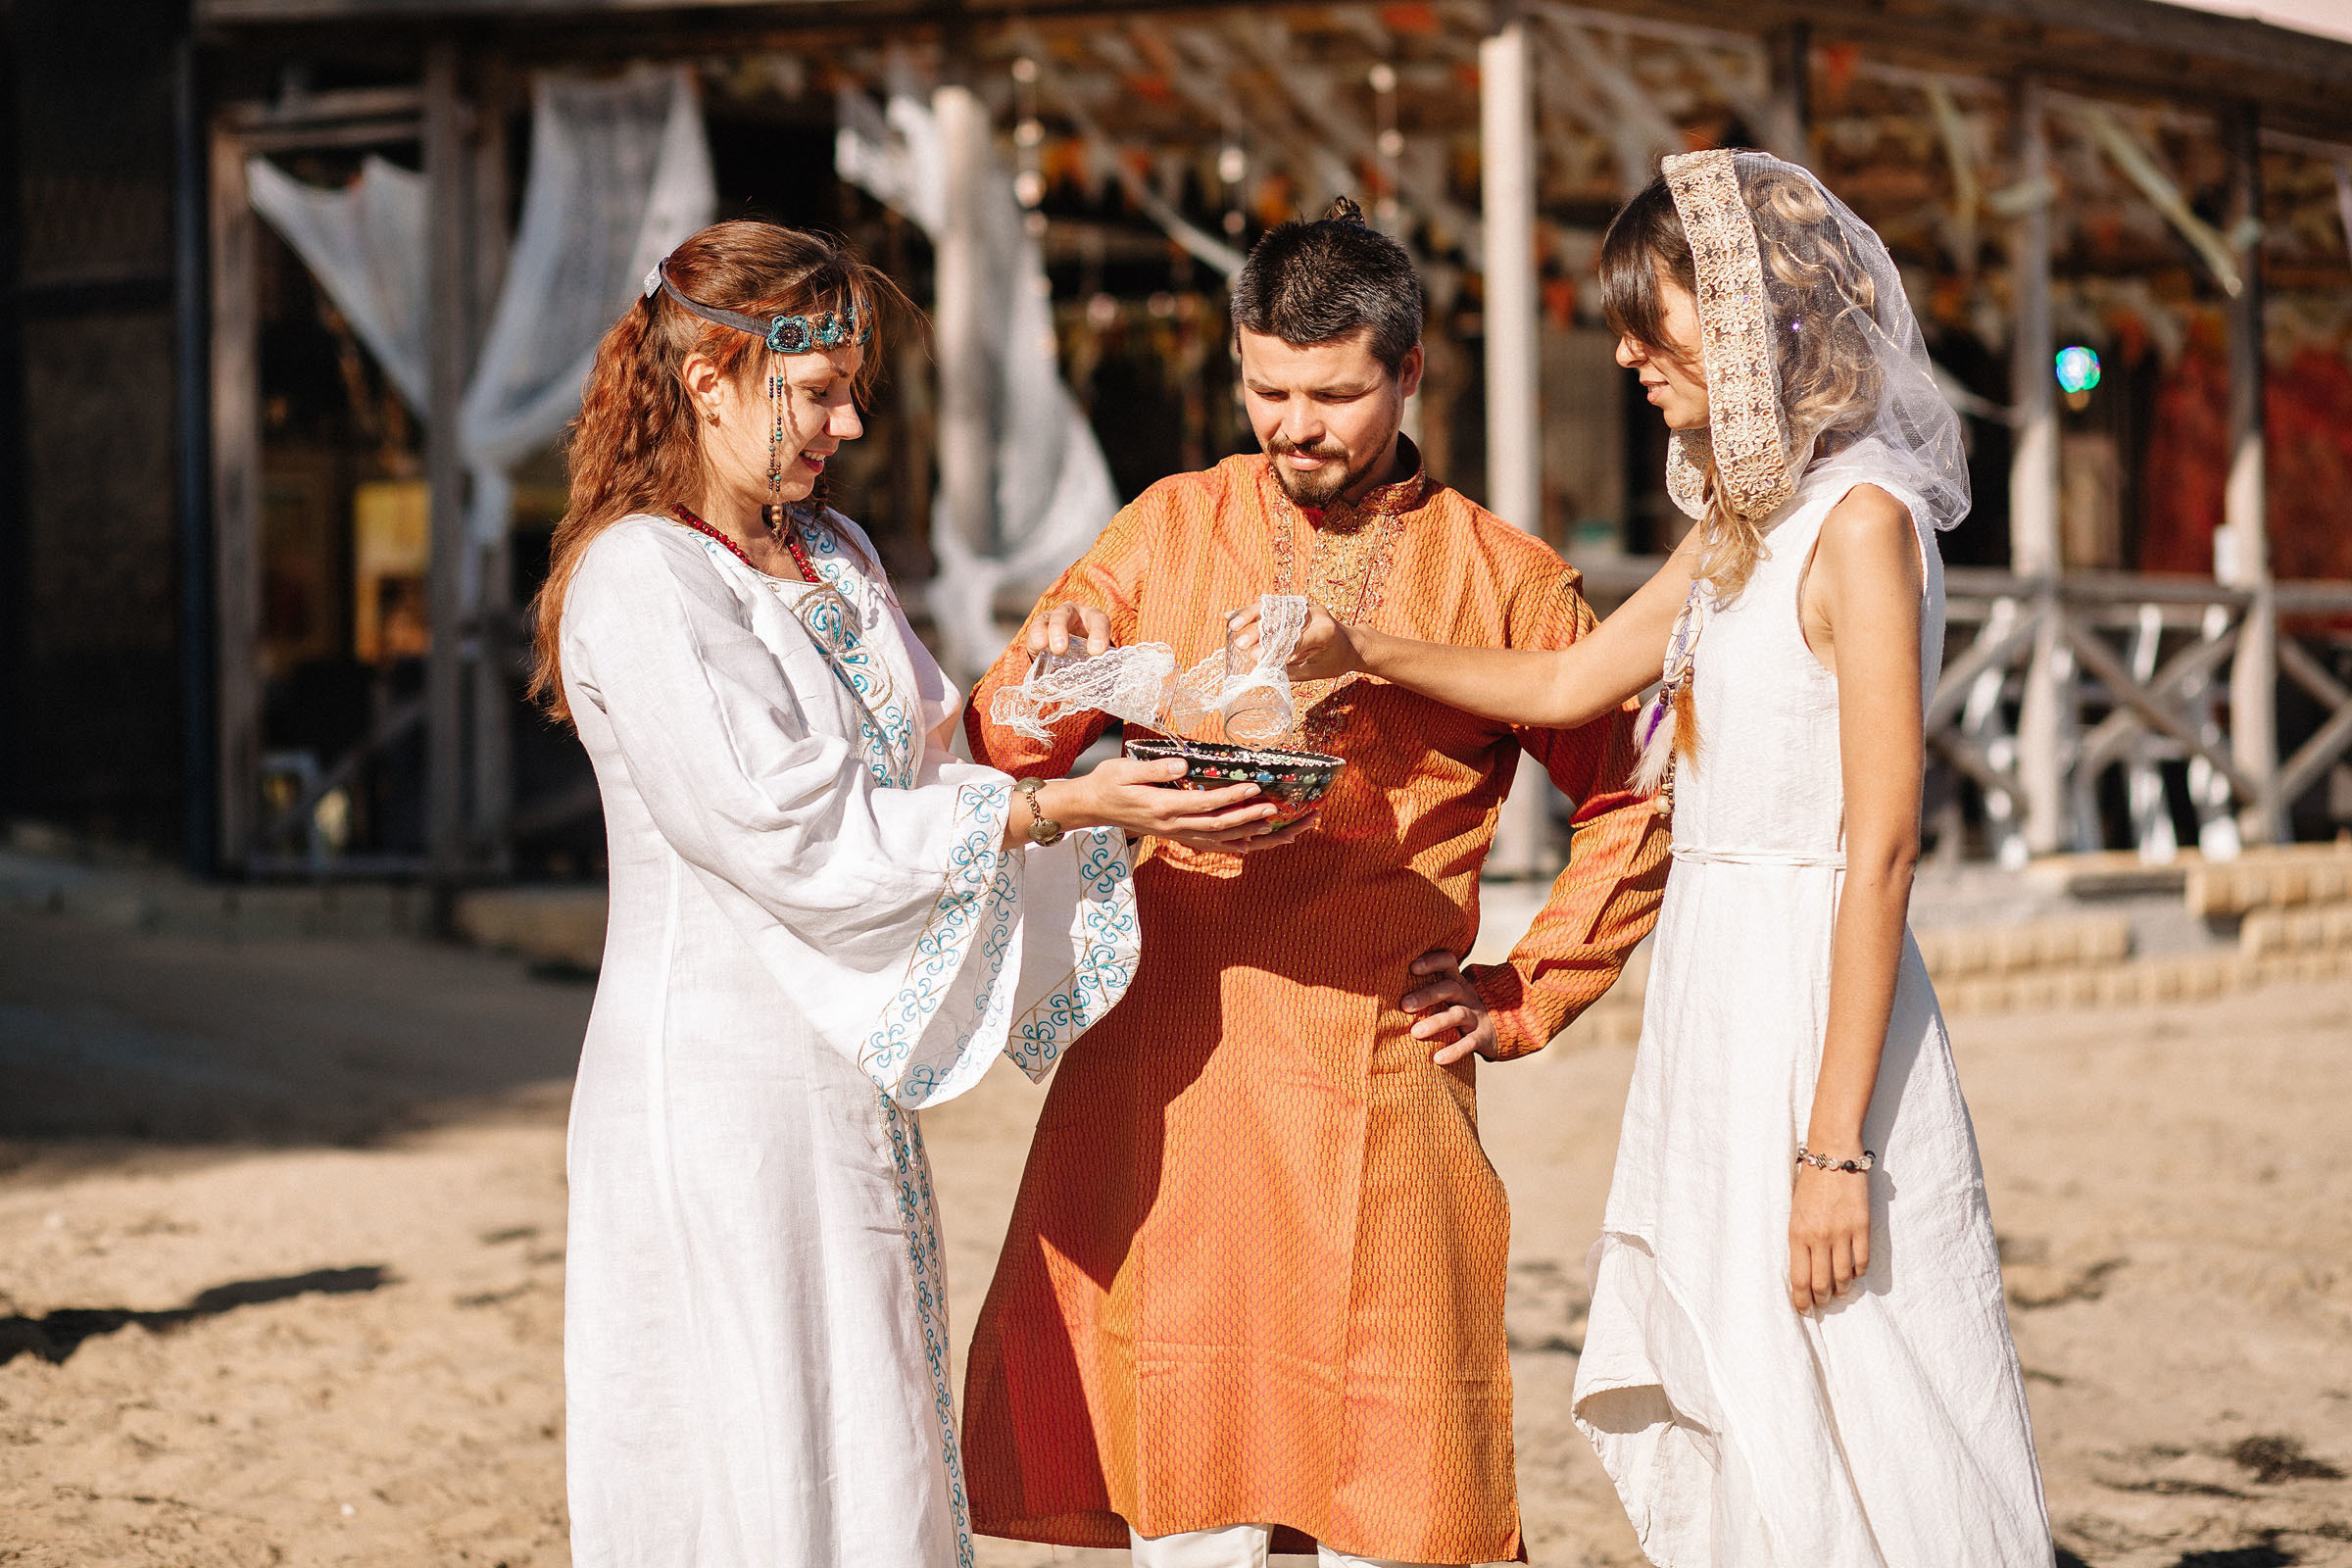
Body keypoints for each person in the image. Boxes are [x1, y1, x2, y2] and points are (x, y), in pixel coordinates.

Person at [1254, 152, 2053, 1565]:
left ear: (1756, 322)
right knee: (1751, 1389)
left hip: (1815, 991)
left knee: (1862, 1376)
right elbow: (1574, 689)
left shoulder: (1860, 528)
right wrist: (1359, 646)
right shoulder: (1745, 520)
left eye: (1651, 319)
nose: (1625, 351)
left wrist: (1834, 1150)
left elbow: (1879, 853)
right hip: (1716, 989)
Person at [534, 220, 1295, 1568]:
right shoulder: (640, 580)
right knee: (745, 1423)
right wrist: (1056, 808)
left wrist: (1067, 692)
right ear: (711, 377)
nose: (851, 418)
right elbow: (784, 824)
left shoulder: (833, 554)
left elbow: (936, 758)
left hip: (842, 1072)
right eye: (818, 389)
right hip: (713, 1080)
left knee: (865, 1408)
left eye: (850, 386)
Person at [957, 199, 1673, 1568]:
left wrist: (1526, 988)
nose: (1298, 424)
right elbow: (1005, 734)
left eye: (1336, 393)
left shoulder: (1501, 577)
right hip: (1166, 1073)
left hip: (1378, 1078)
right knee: (1191, 1490)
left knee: (1395, 1499)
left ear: (1409, 375)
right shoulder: (1167, 528)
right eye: (1270, 389)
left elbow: (1644, 791)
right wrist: (1051, 671)